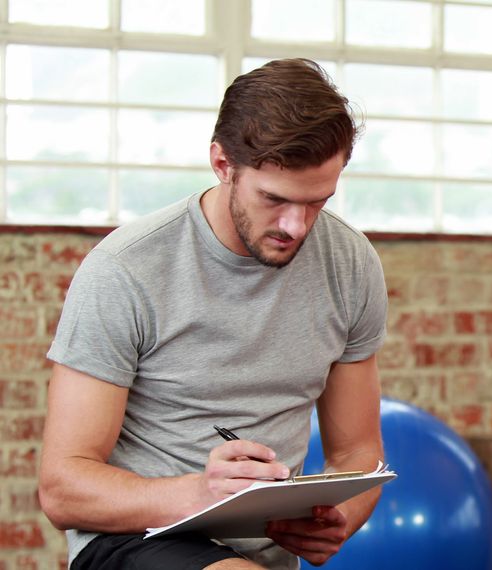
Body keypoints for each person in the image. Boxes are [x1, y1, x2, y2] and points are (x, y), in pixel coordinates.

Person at [37, 58, 388, 570]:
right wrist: (201, 493)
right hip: (136, 539)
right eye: (274, 199)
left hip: (261, 553)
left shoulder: (351, 264)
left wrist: (339, 515)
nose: (296, 226)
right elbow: (62, 489)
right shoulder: (125, 269)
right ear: (222, 164)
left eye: (317, 202)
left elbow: (357, 453)